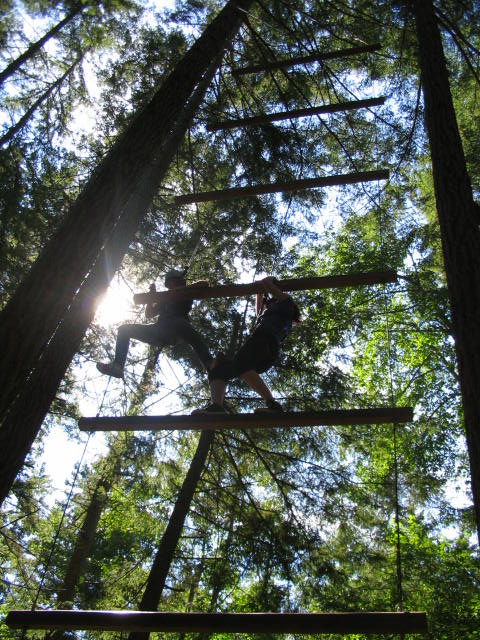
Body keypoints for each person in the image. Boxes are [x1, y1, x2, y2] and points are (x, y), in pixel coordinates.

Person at [195, 276, 300, 413]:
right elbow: (259, 304)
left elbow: (268, 284)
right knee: (218, 370)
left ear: (276, 301)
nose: (266, 305)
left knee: (242, 365)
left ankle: (273, 405)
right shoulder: (266, 313)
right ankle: (217, 407)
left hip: (265, 342)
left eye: (270, 302)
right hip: (261, 349)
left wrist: (269, 280)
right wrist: (260, 291)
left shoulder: (287, 304)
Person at [97, 269, 213, 378]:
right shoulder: (165, 298)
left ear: (178, 282)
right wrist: (152, 296)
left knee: (188, 331)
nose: (171, 286)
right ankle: (118, 365)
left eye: (173, 282)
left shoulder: (187, 291)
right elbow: (149, 314)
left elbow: (204, 284)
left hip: (177, 326)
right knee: (124, 329)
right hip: (159, 329)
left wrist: (180, 289)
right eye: (169, 284)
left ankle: (209, 363)